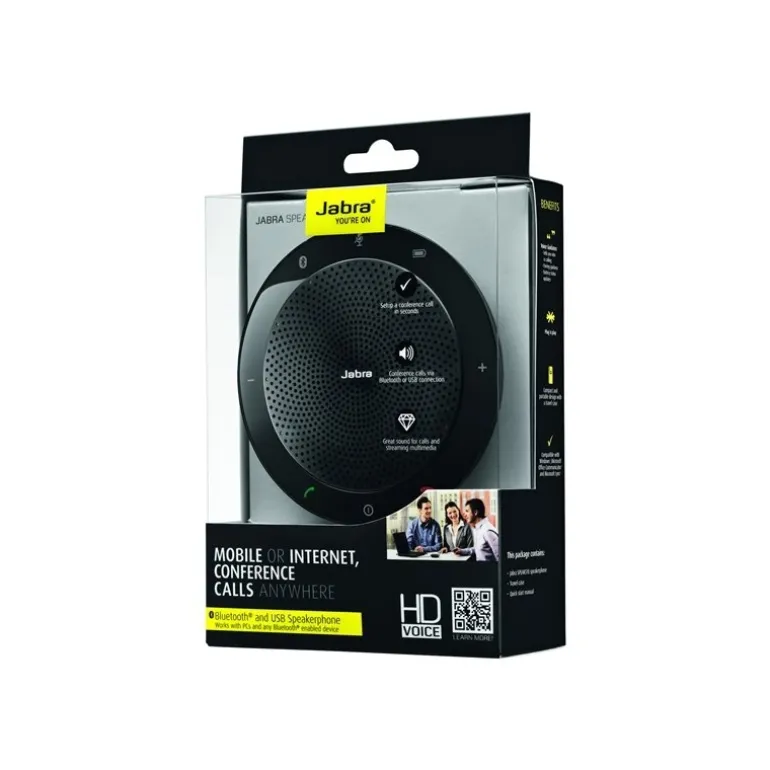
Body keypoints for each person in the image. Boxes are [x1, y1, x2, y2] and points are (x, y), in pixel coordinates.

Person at [454, 498, 499, 562]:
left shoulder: (487, 531)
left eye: (467, 511)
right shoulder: (478, 529)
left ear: (475, 512)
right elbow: (478, 548)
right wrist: (462, 551)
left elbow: (500, 557)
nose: (464, 514)